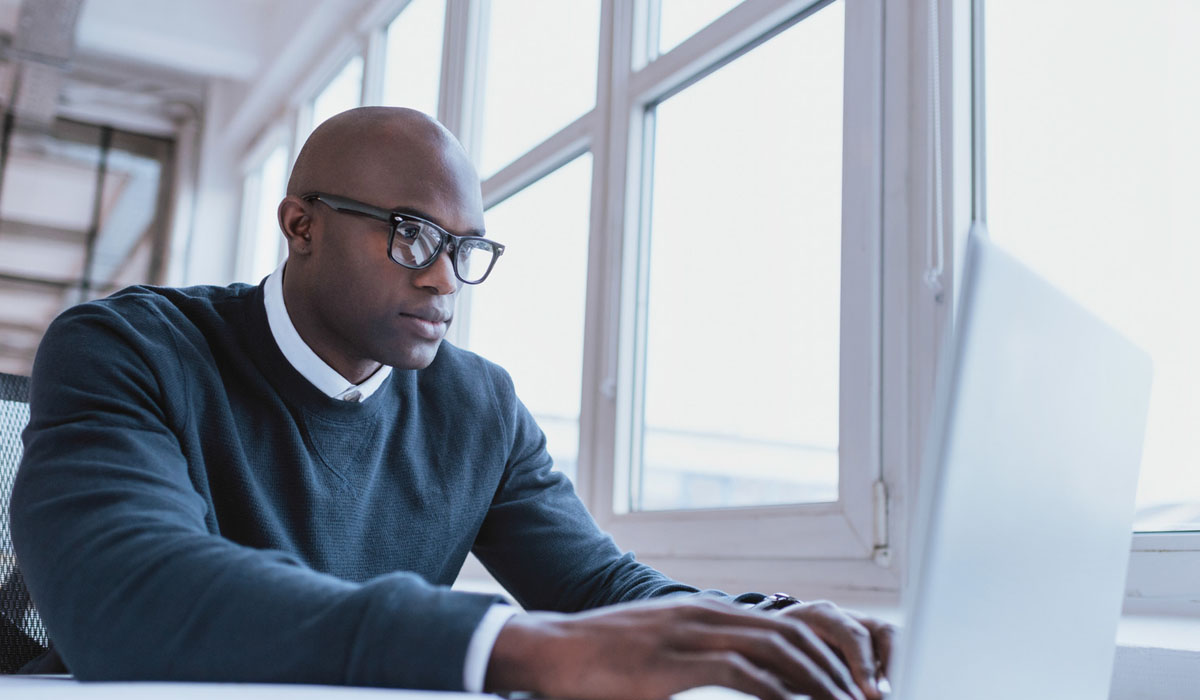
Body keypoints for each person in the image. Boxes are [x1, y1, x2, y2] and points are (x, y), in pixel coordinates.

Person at [11, 107, 894, 700]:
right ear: (300, 226)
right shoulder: (127, 349)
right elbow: (123, 596)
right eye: (410, 235)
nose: (442, 277)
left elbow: (595, 587)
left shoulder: (479, 407)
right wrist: (505, 644)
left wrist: (762, 625)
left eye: (465, 247)